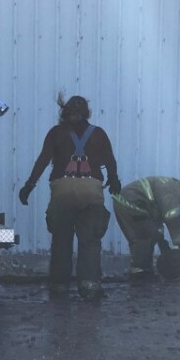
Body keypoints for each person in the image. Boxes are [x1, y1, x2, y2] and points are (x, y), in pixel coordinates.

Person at [19, 95, 119, 300]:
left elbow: (42, 161)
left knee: (61, 240)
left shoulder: (56, 133)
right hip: (91, 189)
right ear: (87, 113)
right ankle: (90, 287)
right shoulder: (98, 134)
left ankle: (59, 287)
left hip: (62, 189)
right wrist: (114, 182)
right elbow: (110, 161)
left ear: (63, 112)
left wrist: (28, 186)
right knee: (90, 240)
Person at [112, 175, 180, 281]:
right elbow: (173, 220)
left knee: (149, 235)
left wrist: (161, 241)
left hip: (130, 202)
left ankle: (144, 270)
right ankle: (139, 275)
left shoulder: (173, 187)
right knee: (143, 237)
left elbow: (157, 218)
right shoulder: (172, 193)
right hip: (130, 203)